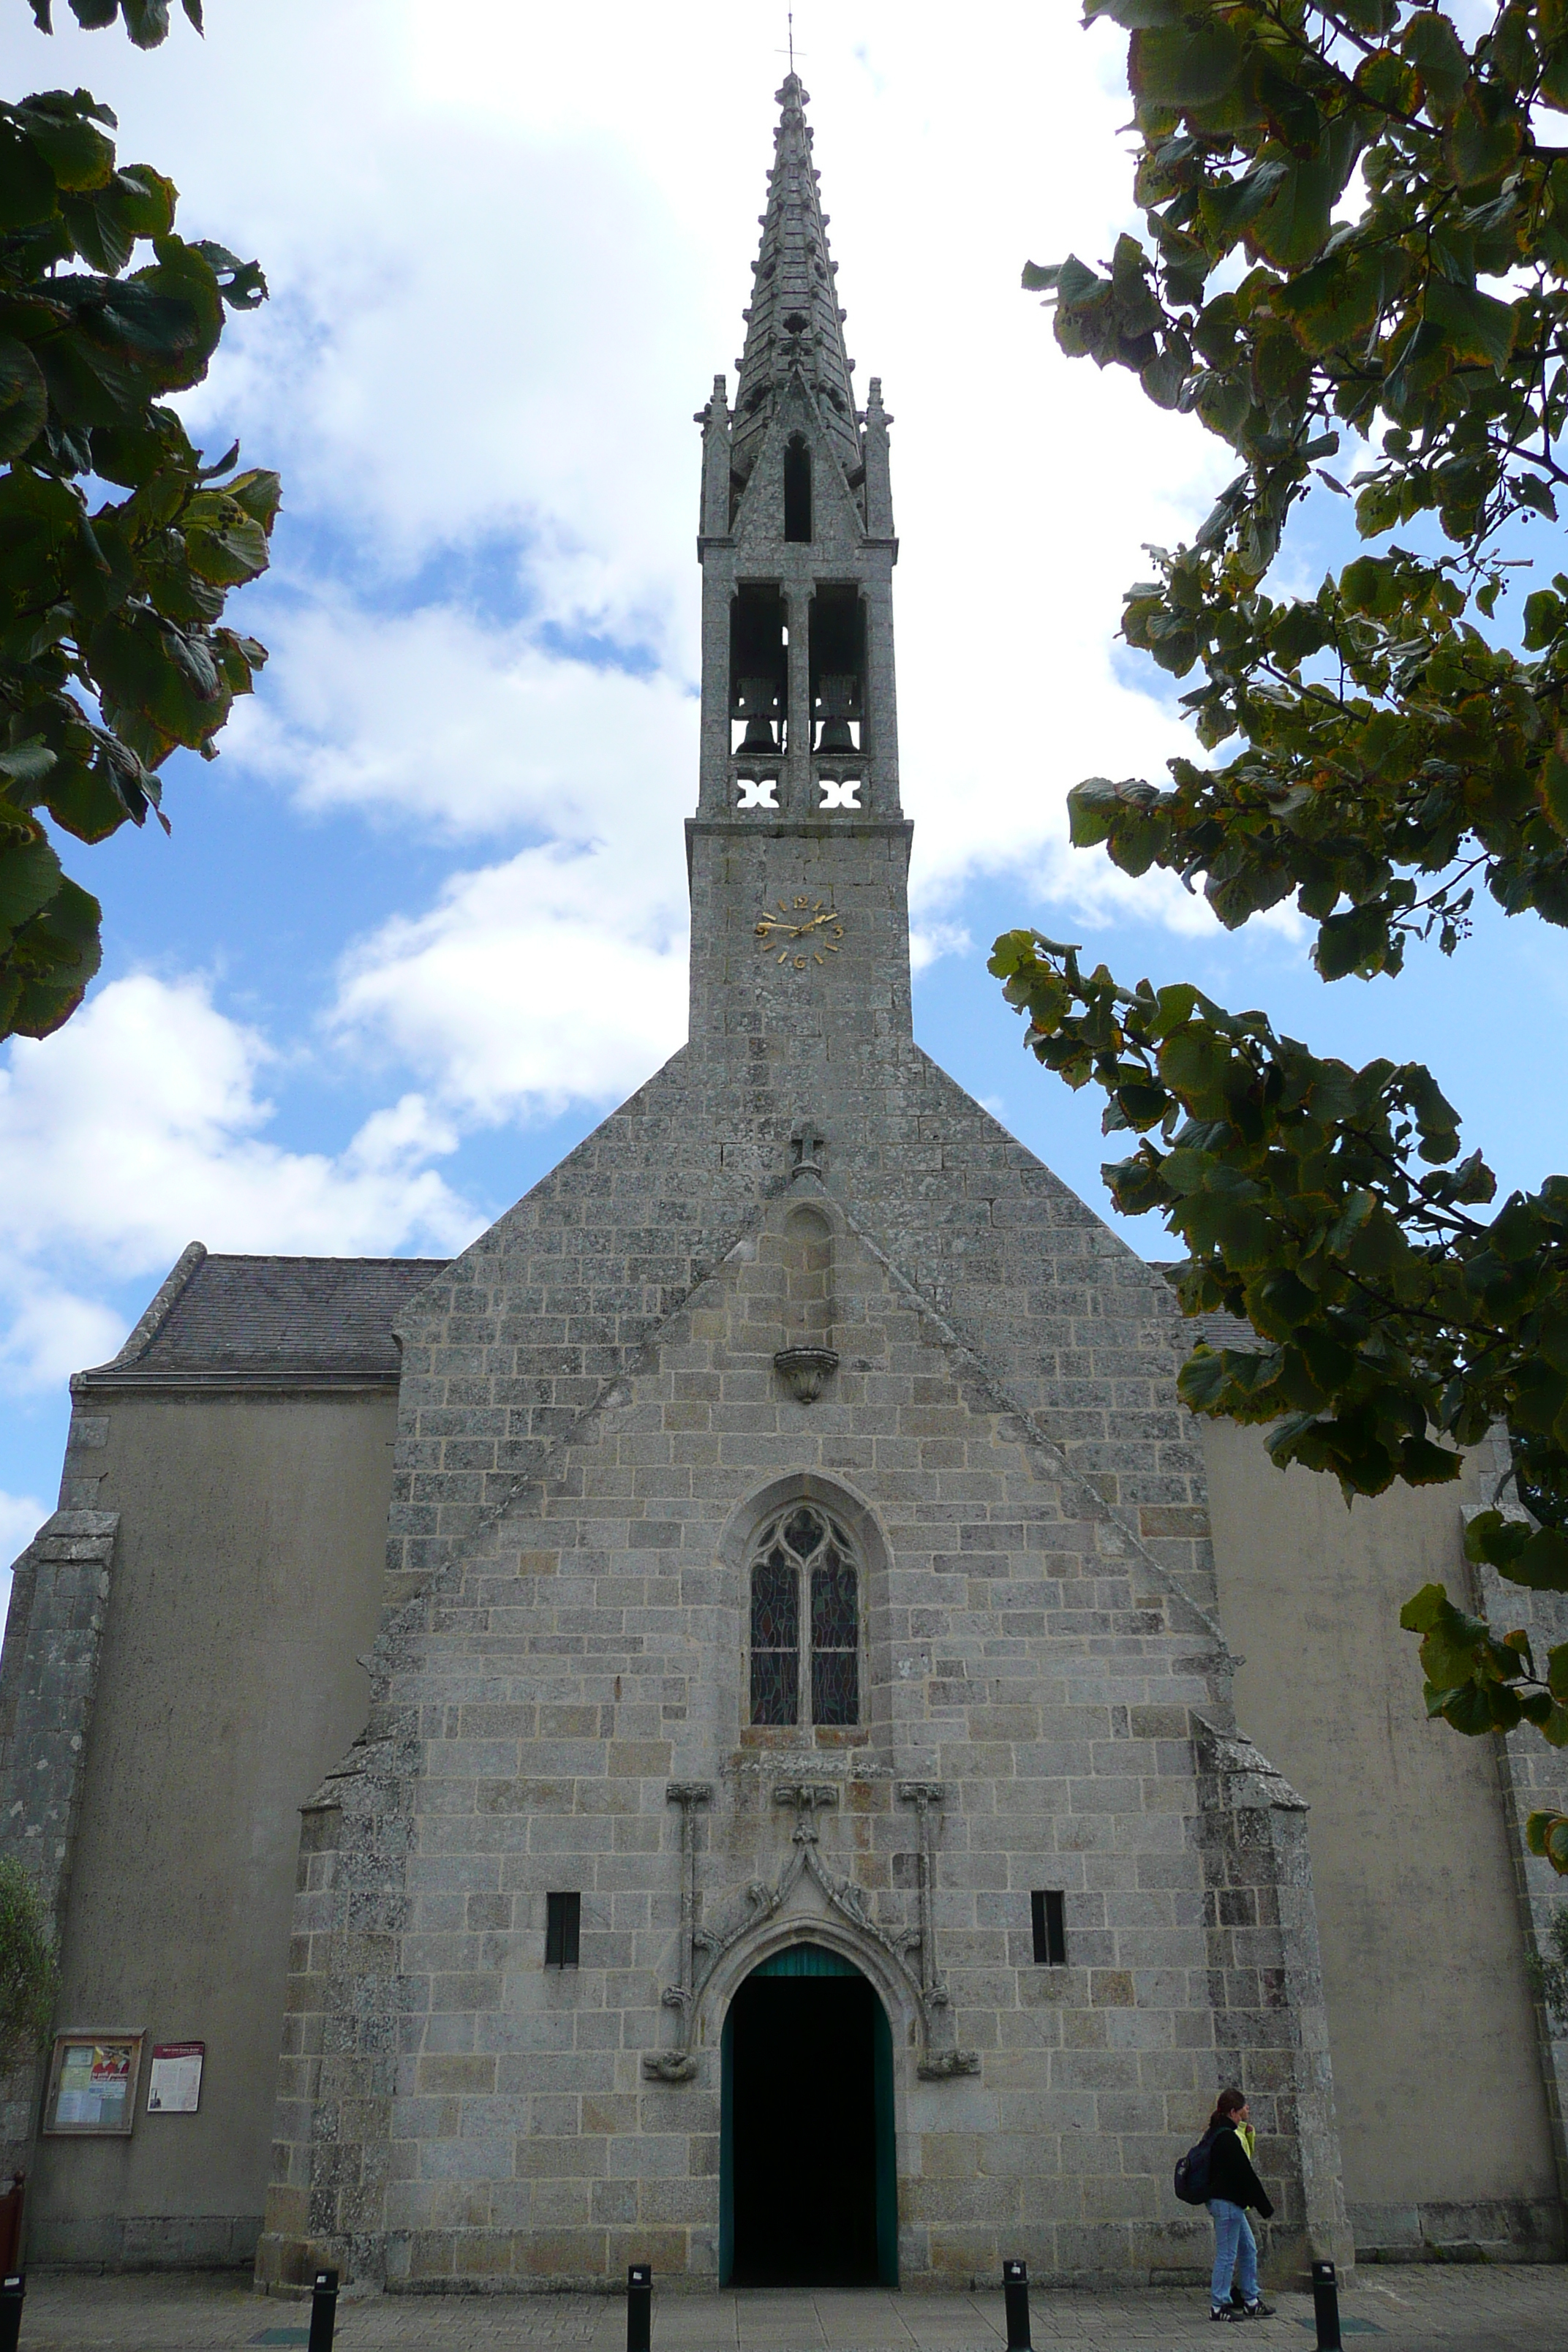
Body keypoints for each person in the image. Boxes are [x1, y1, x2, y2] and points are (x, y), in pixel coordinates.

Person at [1204, 2088, 1276, 2322]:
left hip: (1232, 2204)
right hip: (1226, 2203)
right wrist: (1265, 2207)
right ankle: (1218, 2305)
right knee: (1227, 2255)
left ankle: (1251, 2300)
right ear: (1233, 2111)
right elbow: (1245, 2174)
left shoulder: (1218, 2133)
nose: (1246, 2112)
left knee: (1249, 2248)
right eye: (1242, 2108)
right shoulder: (1226, 2137)